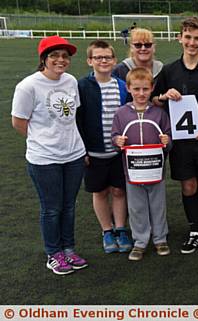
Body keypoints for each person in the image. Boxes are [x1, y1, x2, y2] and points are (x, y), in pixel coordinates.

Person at [11, 36, 88, 275]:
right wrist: (42, 141)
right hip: (44, 159)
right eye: (54, 55)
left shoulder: (71, 81)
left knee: (69, 206)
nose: (60, 60)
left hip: (74, 155)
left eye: (65, 56)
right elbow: (18, 122)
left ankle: (68, 250)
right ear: (43, 58)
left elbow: (72, 115)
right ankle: (53, 254)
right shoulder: (28, 86)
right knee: (51, 208)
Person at [152, 17, 198, 255]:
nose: (192, 43)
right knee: (188, 185)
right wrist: (164, 96)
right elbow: (153, 99)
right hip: (181, 142)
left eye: (197, 38)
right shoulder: (169, 71)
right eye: (188, 37)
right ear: (179, 38)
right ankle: (194, 230)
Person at [111, 67, 173, 261]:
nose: (141, 93)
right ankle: (139, 241)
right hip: (133, 171)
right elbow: (114, 136)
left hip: (155, 170)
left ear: (152, 88)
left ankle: (160, 238)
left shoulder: (159, 113)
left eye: (145, 89)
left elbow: (169, 139)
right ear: (128, 88)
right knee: (137, 207)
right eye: (136, 89)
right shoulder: (121, 113)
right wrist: (117, 141)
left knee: (158, 205)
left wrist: (167, 141)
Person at [77, 40, 131, 254]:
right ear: (90, 60)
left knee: (119, 190)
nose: (103, 61)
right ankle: (106, 230)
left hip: (118, 152)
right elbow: (77, 120)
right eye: (98, 57)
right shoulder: (81, 86)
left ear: (114, 60)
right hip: (94, 152)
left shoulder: (121, 85)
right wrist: (83, 150)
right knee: (99, 192)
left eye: (107, 57)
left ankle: (120, 228)